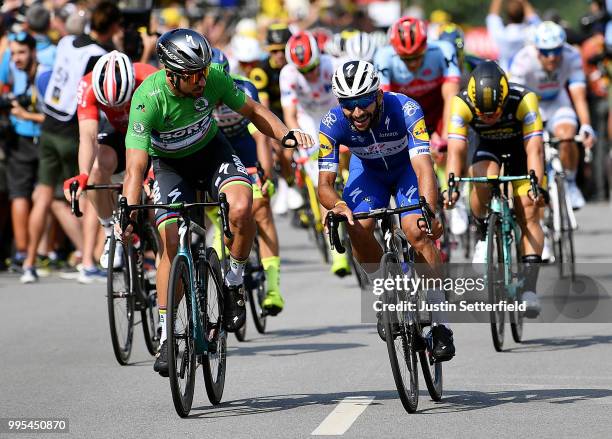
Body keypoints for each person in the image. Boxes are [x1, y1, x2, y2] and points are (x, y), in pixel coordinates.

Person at [121, 29, 313, 376]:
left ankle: (235, 282)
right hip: (169, 167)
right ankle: (167, 336)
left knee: (243, 207)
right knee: (169, 243)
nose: (202, 80)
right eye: (194, 75)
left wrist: (284, 133)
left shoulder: (212, 78)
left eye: (204, 71)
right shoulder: (147, 99)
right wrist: (129, 212)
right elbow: (135, 168)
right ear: (172, 74)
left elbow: (253, 111)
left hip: (212, 153)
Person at [317, 60, 455, 361]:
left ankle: (441, 324)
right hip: (368, 174)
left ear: (378, 95)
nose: (357, 112)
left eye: (363, 101)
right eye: (349, 104)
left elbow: (423, 167)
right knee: (357, 226)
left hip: (407, 169)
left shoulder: (405, 108)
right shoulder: (330, 123)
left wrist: (431, 210)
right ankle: (385, 293)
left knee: (418, 230)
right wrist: (338, 205)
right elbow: (324, 185)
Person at [20, 1, 121, 284]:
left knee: (42, 197)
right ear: (113, 27)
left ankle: (29, 263)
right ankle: (88, 260)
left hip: (49, 122)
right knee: (88, 190)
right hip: (72, 128)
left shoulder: (65, 42)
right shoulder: (101, 55)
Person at [444, 61, 545, 317]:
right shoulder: (461, 102)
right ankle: (482, 234)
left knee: (529, 210)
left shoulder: (524, 99)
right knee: (481, 177)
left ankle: (529, 288)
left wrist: (536, 184)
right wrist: (452, 185)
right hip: (487, 148)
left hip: (521, 150)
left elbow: (535, 148)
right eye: (483, 114)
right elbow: (456, 150)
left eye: (495, 113)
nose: (489, 118)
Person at [62, 51, 157, 269]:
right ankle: (108, 232)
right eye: (110, 106)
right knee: (96, 169)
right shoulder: (87, 86)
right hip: (120, 135)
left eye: (121, 103)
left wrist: (152, 172)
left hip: (153, 134)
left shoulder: (149, 78)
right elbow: (88, 136)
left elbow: (166, 129)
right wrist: (83, 175)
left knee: (155, 204)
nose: (116, 109)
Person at [211, 48, 284, 315]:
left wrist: (265, 173)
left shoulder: (244, 90)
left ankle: (273, 287)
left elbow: (261, 138)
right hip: (219, 153)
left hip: (248, 151)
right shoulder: (198, 99)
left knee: (261, 209)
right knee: (221, 212)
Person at [279, 30, 351, 276]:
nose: (308, 75)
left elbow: (348, 101)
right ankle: (336, 251)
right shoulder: (288, 74)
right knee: (322, 177)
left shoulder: (334, 65)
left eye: (312, 69)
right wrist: (297, 138)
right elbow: (290, 114)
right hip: (308, 120)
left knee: (349, 157)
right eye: (303, 71)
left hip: (337, 111)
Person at [510, 21, 596, 209]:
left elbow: (579, 97)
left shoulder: (572, 56)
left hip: (558, 102)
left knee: (567, 136)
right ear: (536, 48)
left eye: (556, 51)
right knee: (534, 147)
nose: (552, 58)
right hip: (531, 104)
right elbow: (515, 101)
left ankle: (571, 183)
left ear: (563, 48)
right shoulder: (523, 60)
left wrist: (586, 125)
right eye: (545, 52)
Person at [0, 32, 50, 272]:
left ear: (33, 51)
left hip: (44, 139)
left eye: (22, 52)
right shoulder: (9, 68)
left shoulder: (45, 74)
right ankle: (22, 253)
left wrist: (25, 114)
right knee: (19, 195)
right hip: (18, 140)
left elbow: (55, 117)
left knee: (44, 196)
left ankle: (41, 251)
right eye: (14, 53)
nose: (17, 58)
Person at [374, 17, 461, 143]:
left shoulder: (443, 50)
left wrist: (446, 138)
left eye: (418, 56)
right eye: (406, 59)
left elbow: (451, 96)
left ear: (426, 46)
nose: (413, 64)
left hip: (437, 112)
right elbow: (382, 102)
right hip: (404, 113)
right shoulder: (383, 56)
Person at [486, 0, 541, 71]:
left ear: (507, 15)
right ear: (524, 14)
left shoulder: (501, 35)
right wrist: (523, 2)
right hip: (525, 78)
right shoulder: (530, 33)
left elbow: (492, 17)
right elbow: (536, 22)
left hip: (506, 79)